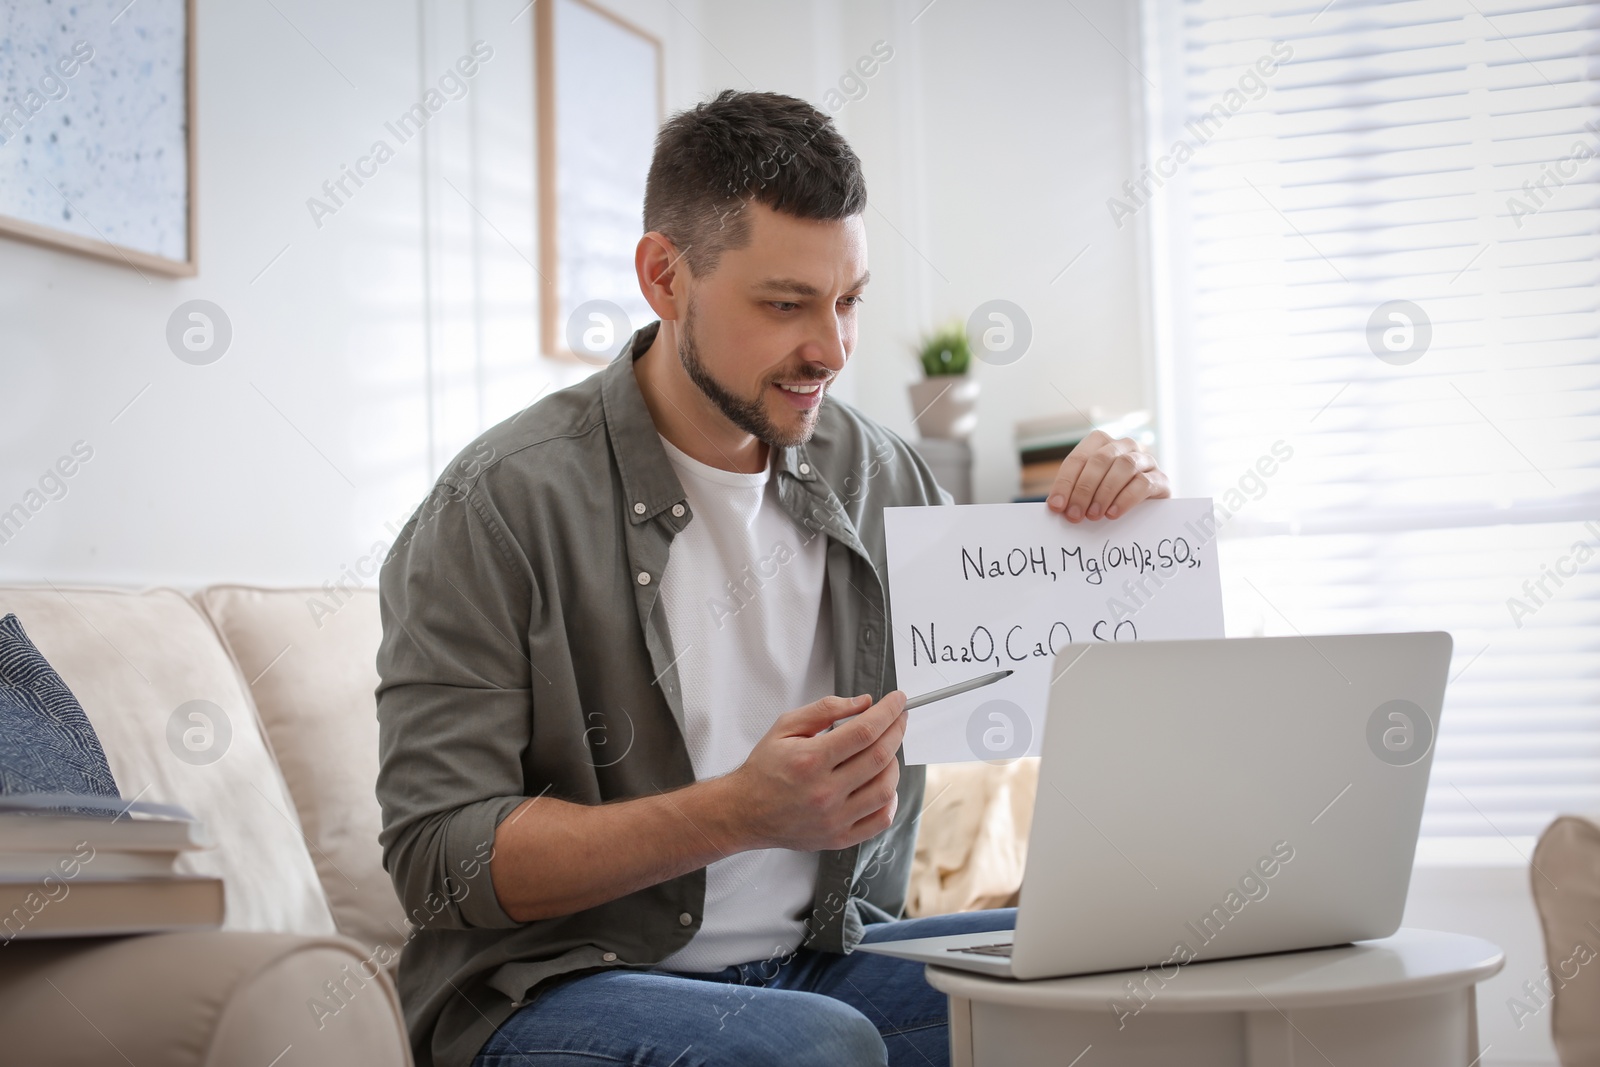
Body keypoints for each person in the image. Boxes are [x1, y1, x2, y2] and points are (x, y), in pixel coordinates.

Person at [374, 88, 1170, 1067]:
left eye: (848, 301)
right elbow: (437, 862)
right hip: (555, 984)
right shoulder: (496, 505)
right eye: (785, 304)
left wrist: (1115, 525)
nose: (830, 350)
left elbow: (1024, 663)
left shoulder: (880, 473)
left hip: (817, 956)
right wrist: (737, 811)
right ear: (665, 278)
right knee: (816, 1046)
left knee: (1131, 983)